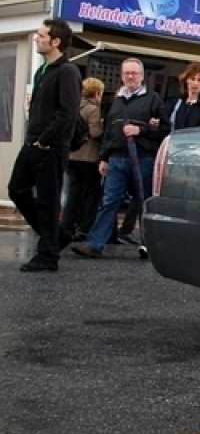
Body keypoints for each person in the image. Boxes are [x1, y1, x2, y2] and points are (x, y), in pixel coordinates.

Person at [73, 57, 170, 260]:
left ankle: (149, 245)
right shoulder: (116, 102)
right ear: (122, 75)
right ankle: (95, 244)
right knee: (109, 201)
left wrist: (141, 129)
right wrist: (104, 158)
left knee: (144, 202)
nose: (130, 76)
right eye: (126, 73)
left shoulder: (154, 100)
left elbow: (165, 129)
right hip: (117, 158)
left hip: (143, 158)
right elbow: (109, 131)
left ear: (142, 76)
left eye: (134, 73)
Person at [7, 19, 82, 272]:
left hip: (50, 147)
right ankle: (55, 237)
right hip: (33, 143)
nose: (37, 38)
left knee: (48, 201)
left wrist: (46, 139)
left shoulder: (67, 71)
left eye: (41, 35)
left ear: (56, 41)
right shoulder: (43, 71)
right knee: (16, 190)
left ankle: (48, 256)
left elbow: (67, 112)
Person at [61, 76, 105, 241]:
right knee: (93, 192)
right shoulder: (92, 109)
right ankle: (85, 227)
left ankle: (67, 225)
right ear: (96, 93)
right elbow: (95, 133)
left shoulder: (73, 106)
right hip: (88, 156)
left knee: (74, 191)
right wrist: (102, 126)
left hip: (71, 155)